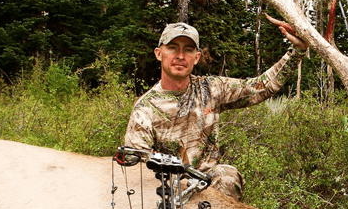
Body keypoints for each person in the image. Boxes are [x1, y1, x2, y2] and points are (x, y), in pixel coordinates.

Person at [124, 21, 307, 199]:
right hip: (166, 189)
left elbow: (260, 87)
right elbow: (136, 170)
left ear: (196, 58)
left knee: (227, 176)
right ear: (159, 54)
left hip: (207, 184)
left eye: (188, 50)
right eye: (172, 48)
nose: (180, 55)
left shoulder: (210, 89)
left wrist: (296, 52)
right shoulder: (145, 109)